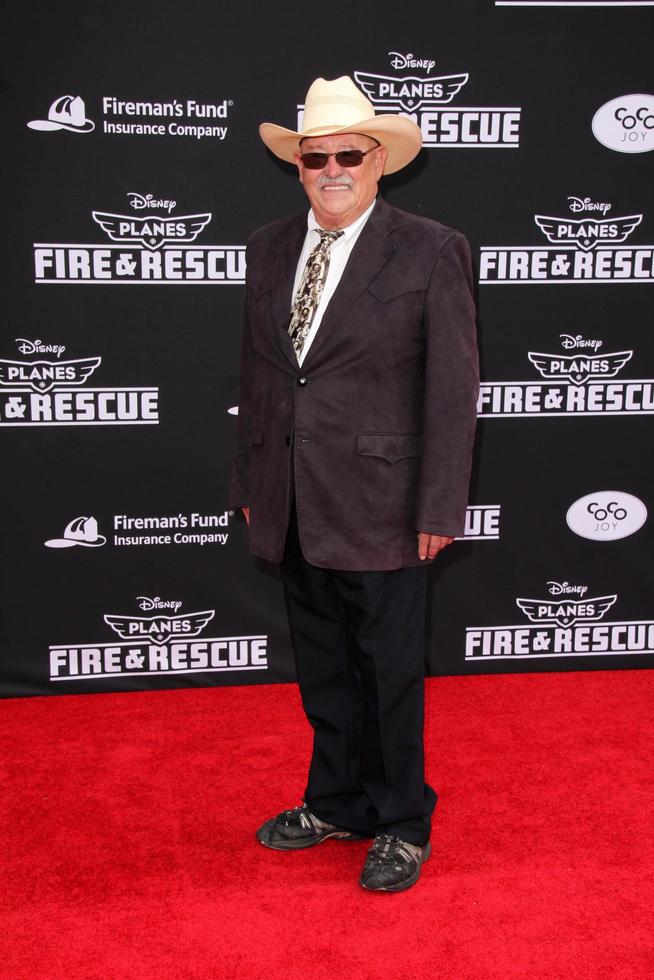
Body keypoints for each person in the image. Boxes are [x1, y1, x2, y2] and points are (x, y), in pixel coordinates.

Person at [230, 76, 479, 892]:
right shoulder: (266, 247)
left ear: (379, 162)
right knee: (325, 667)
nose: (331, 168)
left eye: (348, 154)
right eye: (316, 156)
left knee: (389, 671)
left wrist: (441, 503)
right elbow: (262, 377)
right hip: (293, 498)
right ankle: (336, 800)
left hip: (384, 504)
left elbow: (452, 389)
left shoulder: (431, 247)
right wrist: (253, 476)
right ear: (297, 165)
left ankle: (401, 819)